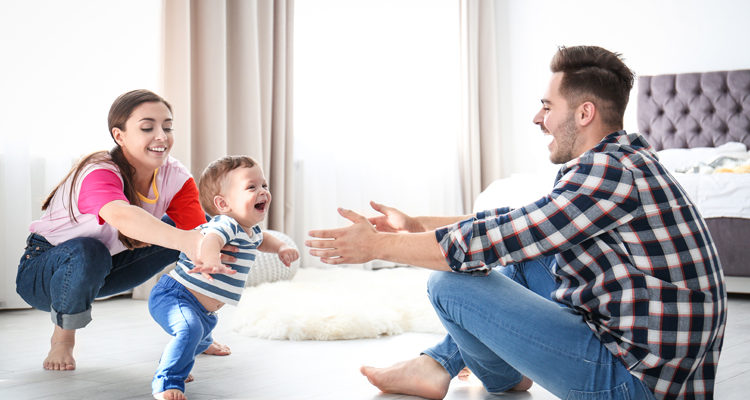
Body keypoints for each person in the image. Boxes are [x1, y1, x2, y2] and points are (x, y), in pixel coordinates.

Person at [306, 45, 726, 400]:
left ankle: (491, 374)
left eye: (547, 106)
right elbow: (523, 222)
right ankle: (437, 364)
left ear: (584, 113)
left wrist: (376, 245)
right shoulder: (626, 158)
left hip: (636, 384)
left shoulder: (607, 173)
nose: (537, 118)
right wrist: (418, 224)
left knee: (449, 284)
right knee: (528, 259)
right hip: (658, 364)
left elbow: (494, 239)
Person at [16, 89, 233, 371]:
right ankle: (63, 340)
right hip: (44, 273)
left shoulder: (175, 176)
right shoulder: (98, 170)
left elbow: (199, 238)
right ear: (119, 136)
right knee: (88, 249)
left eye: (167, 127)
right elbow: (122, 215)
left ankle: (197, 333)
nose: (161, 136)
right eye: (147, 127)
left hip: (107, 267)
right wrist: (189, 240)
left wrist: (212, 254)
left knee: (206, 235)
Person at [148, 155, 299, 400]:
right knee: (189, 330)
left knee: (199, 328)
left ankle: (198, 345)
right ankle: (167, 381)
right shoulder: (225, 224)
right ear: (223, 203)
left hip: (203, 310)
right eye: (252, 187)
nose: (263, 191)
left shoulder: (251, 229)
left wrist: (281, 247)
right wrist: (211, 261)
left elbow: (264, 239)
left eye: (264, 185)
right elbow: (211, 240)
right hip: (175, 295)